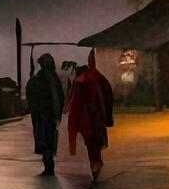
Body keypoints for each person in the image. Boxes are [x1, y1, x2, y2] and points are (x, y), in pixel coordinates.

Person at [67, 49, 115, 182]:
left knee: (91, 143)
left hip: (87, 119)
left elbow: (78, 104)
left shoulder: (82, 80)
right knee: (94, 142)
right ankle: (96, 163)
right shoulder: (94, 77)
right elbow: (104, 96)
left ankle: (95, 165)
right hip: (94, 118)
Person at [25, 53, 65, 176]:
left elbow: (31, 95)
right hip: (49, 117)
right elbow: (60, 98)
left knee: (45, 142)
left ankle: (48, 167)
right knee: (48, 142)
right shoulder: (53, 79)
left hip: (43, 117)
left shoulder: (40, 79)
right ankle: (48, 166)